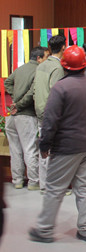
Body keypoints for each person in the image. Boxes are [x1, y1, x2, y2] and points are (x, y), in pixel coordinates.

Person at [28, 46, 86, 243]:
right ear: (84, 65)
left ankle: (44, 230)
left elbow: (50, 120)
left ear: (64, 66)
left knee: (55, 188)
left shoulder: (60, 88)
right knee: (85, 188)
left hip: (66, 146)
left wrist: (45, 144)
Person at [4, 46, 48, 190]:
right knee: (30, 149)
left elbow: (7, 82)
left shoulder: (20, 69)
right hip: (26, 115)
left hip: (12, 117)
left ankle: (17, 180)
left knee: (15, 150)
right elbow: (32, 93)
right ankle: (33, 182)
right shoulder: (39, 70)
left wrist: (15, 98)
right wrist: (20, 104)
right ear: (39, 58)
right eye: (46, 57)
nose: (47, 60)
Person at [33, 35, 67, 192]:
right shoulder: (57, 68)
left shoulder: (41, 65)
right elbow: (56, 94)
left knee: (43, 149)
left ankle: (44, 185)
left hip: (40, 110)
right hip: (52, 113)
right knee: (54, 152)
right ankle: (54, 186)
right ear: (63, 47)